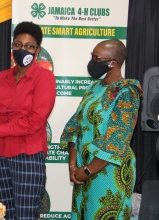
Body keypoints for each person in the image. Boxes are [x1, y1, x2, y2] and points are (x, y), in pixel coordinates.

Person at [0, 21, 56, 220]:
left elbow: (35, 121)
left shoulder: (44, 78)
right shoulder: (1, 78)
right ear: (12, 46)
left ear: (38, 49)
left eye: (29, 46)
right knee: (4, 214)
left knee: (26, 214)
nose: (22, 50)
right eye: (18, 45)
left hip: (28, 154)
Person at [60, 39, 143, 220]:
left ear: (112, 62)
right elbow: (76, 125)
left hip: (109, 172)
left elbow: (117, 140)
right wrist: (73, 165)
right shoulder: (93, 88)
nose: (92, 62)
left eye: (96, 58)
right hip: (83, 169)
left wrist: (89, 170)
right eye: (92, 56)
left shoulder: (127, 92)